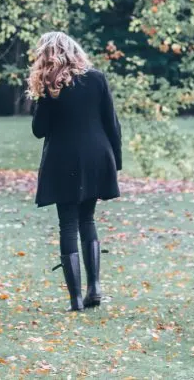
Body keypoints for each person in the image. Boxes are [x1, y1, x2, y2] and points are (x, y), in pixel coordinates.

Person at [28, 31, 122, 311]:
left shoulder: (50, 86)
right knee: (88, 220)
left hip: (63, 160)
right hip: (97, 157)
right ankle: (95, 286)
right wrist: (114, 162)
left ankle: (76, 299)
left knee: (68, 224)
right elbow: (112, 123)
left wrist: (43, 96)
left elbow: (38, 130)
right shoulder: (97, 79)